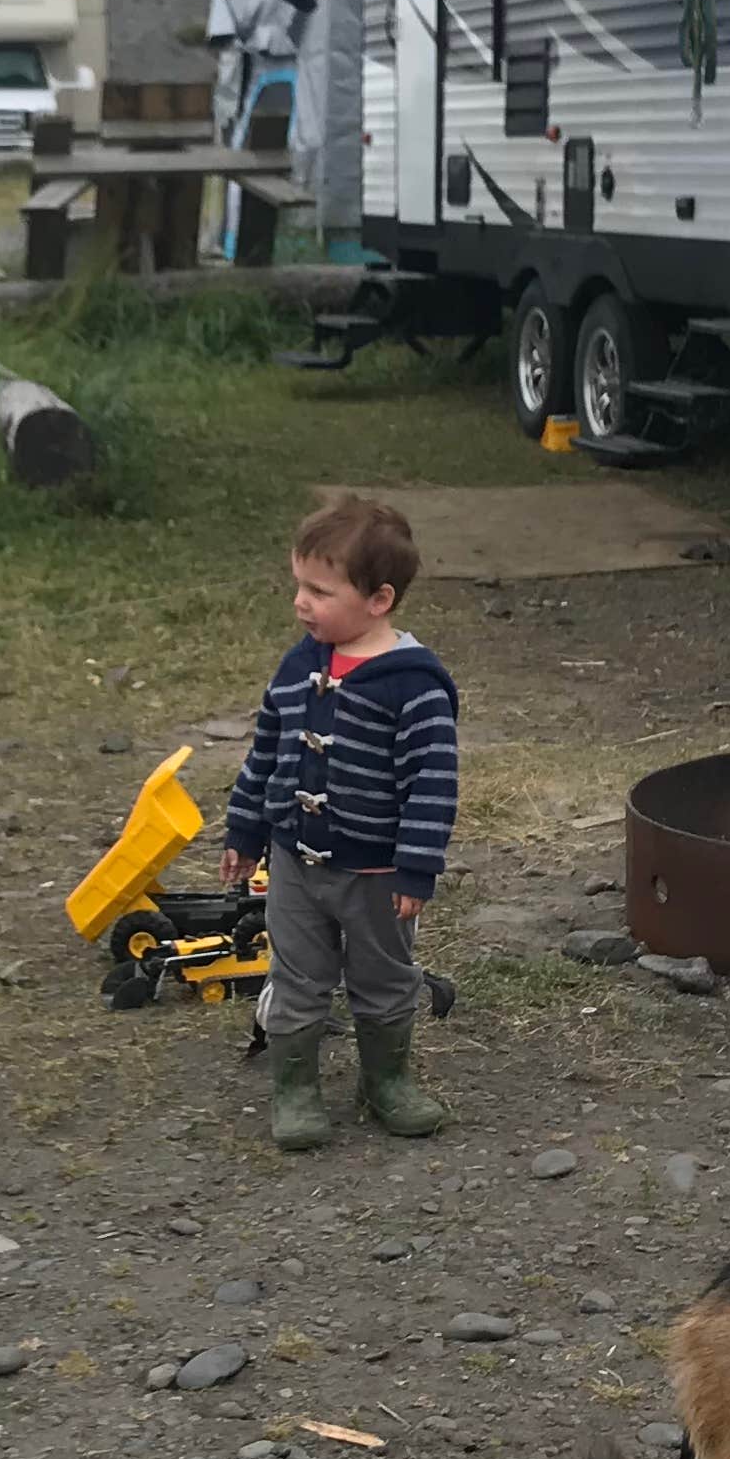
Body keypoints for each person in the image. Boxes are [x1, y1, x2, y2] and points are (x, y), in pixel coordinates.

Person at [221, 492, 458, 1152]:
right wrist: (244, 831)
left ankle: (385, 1081)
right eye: (298, 584)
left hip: (378, 875)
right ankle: (295, 1090)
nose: (301, 603)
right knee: (297, 976)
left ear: (378, 600)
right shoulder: (302, 664)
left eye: (319, 591)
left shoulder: (413, 687)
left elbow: (432, 785)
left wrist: (417, 867)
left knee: (385, 979)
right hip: (296, 864)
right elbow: (267, 749)